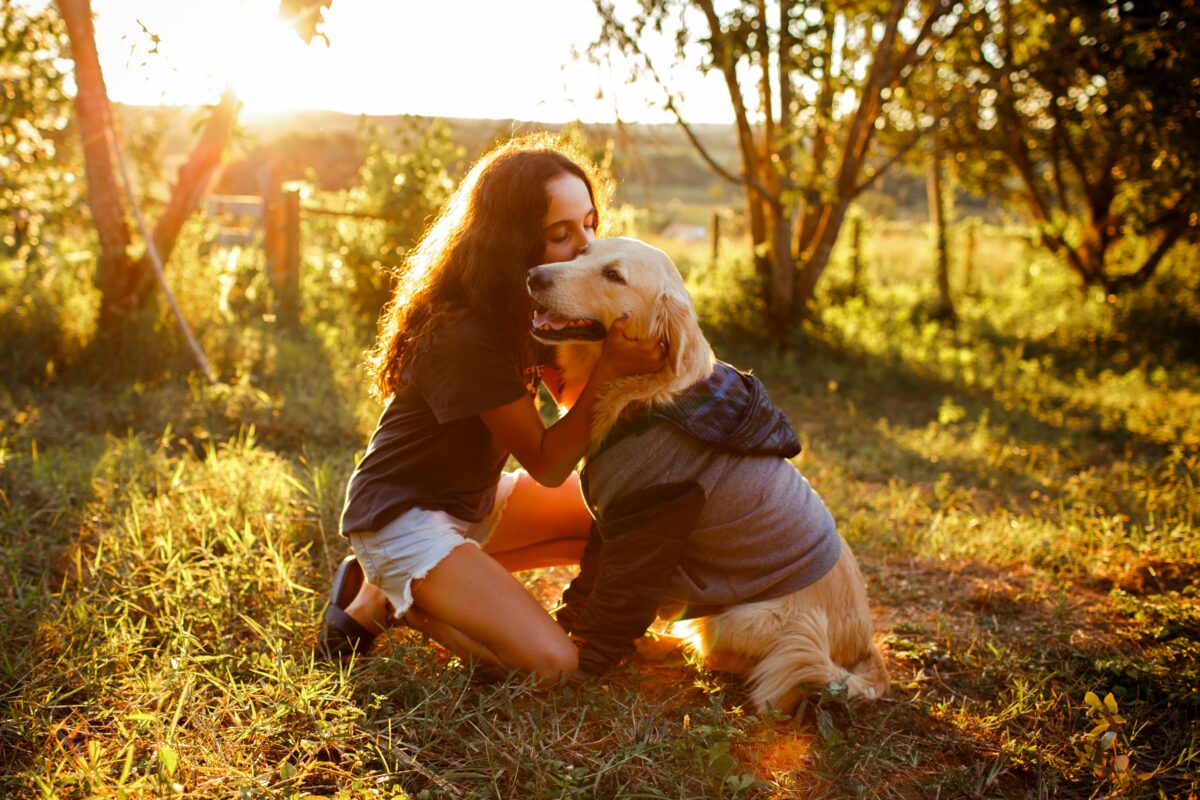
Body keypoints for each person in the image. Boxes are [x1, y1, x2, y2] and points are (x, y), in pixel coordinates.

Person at [317, 135, 663, 681]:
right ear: (513, 239)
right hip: (401, 517)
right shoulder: (465, 333)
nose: (586, 245)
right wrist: (610, 369)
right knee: (552, 665)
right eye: (561, 233)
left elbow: (576, 410)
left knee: (623, 510)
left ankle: (401, 589)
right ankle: (396, 598)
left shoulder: (533, 306)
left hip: (471, 506)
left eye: (590, 224)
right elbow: (549, 465)